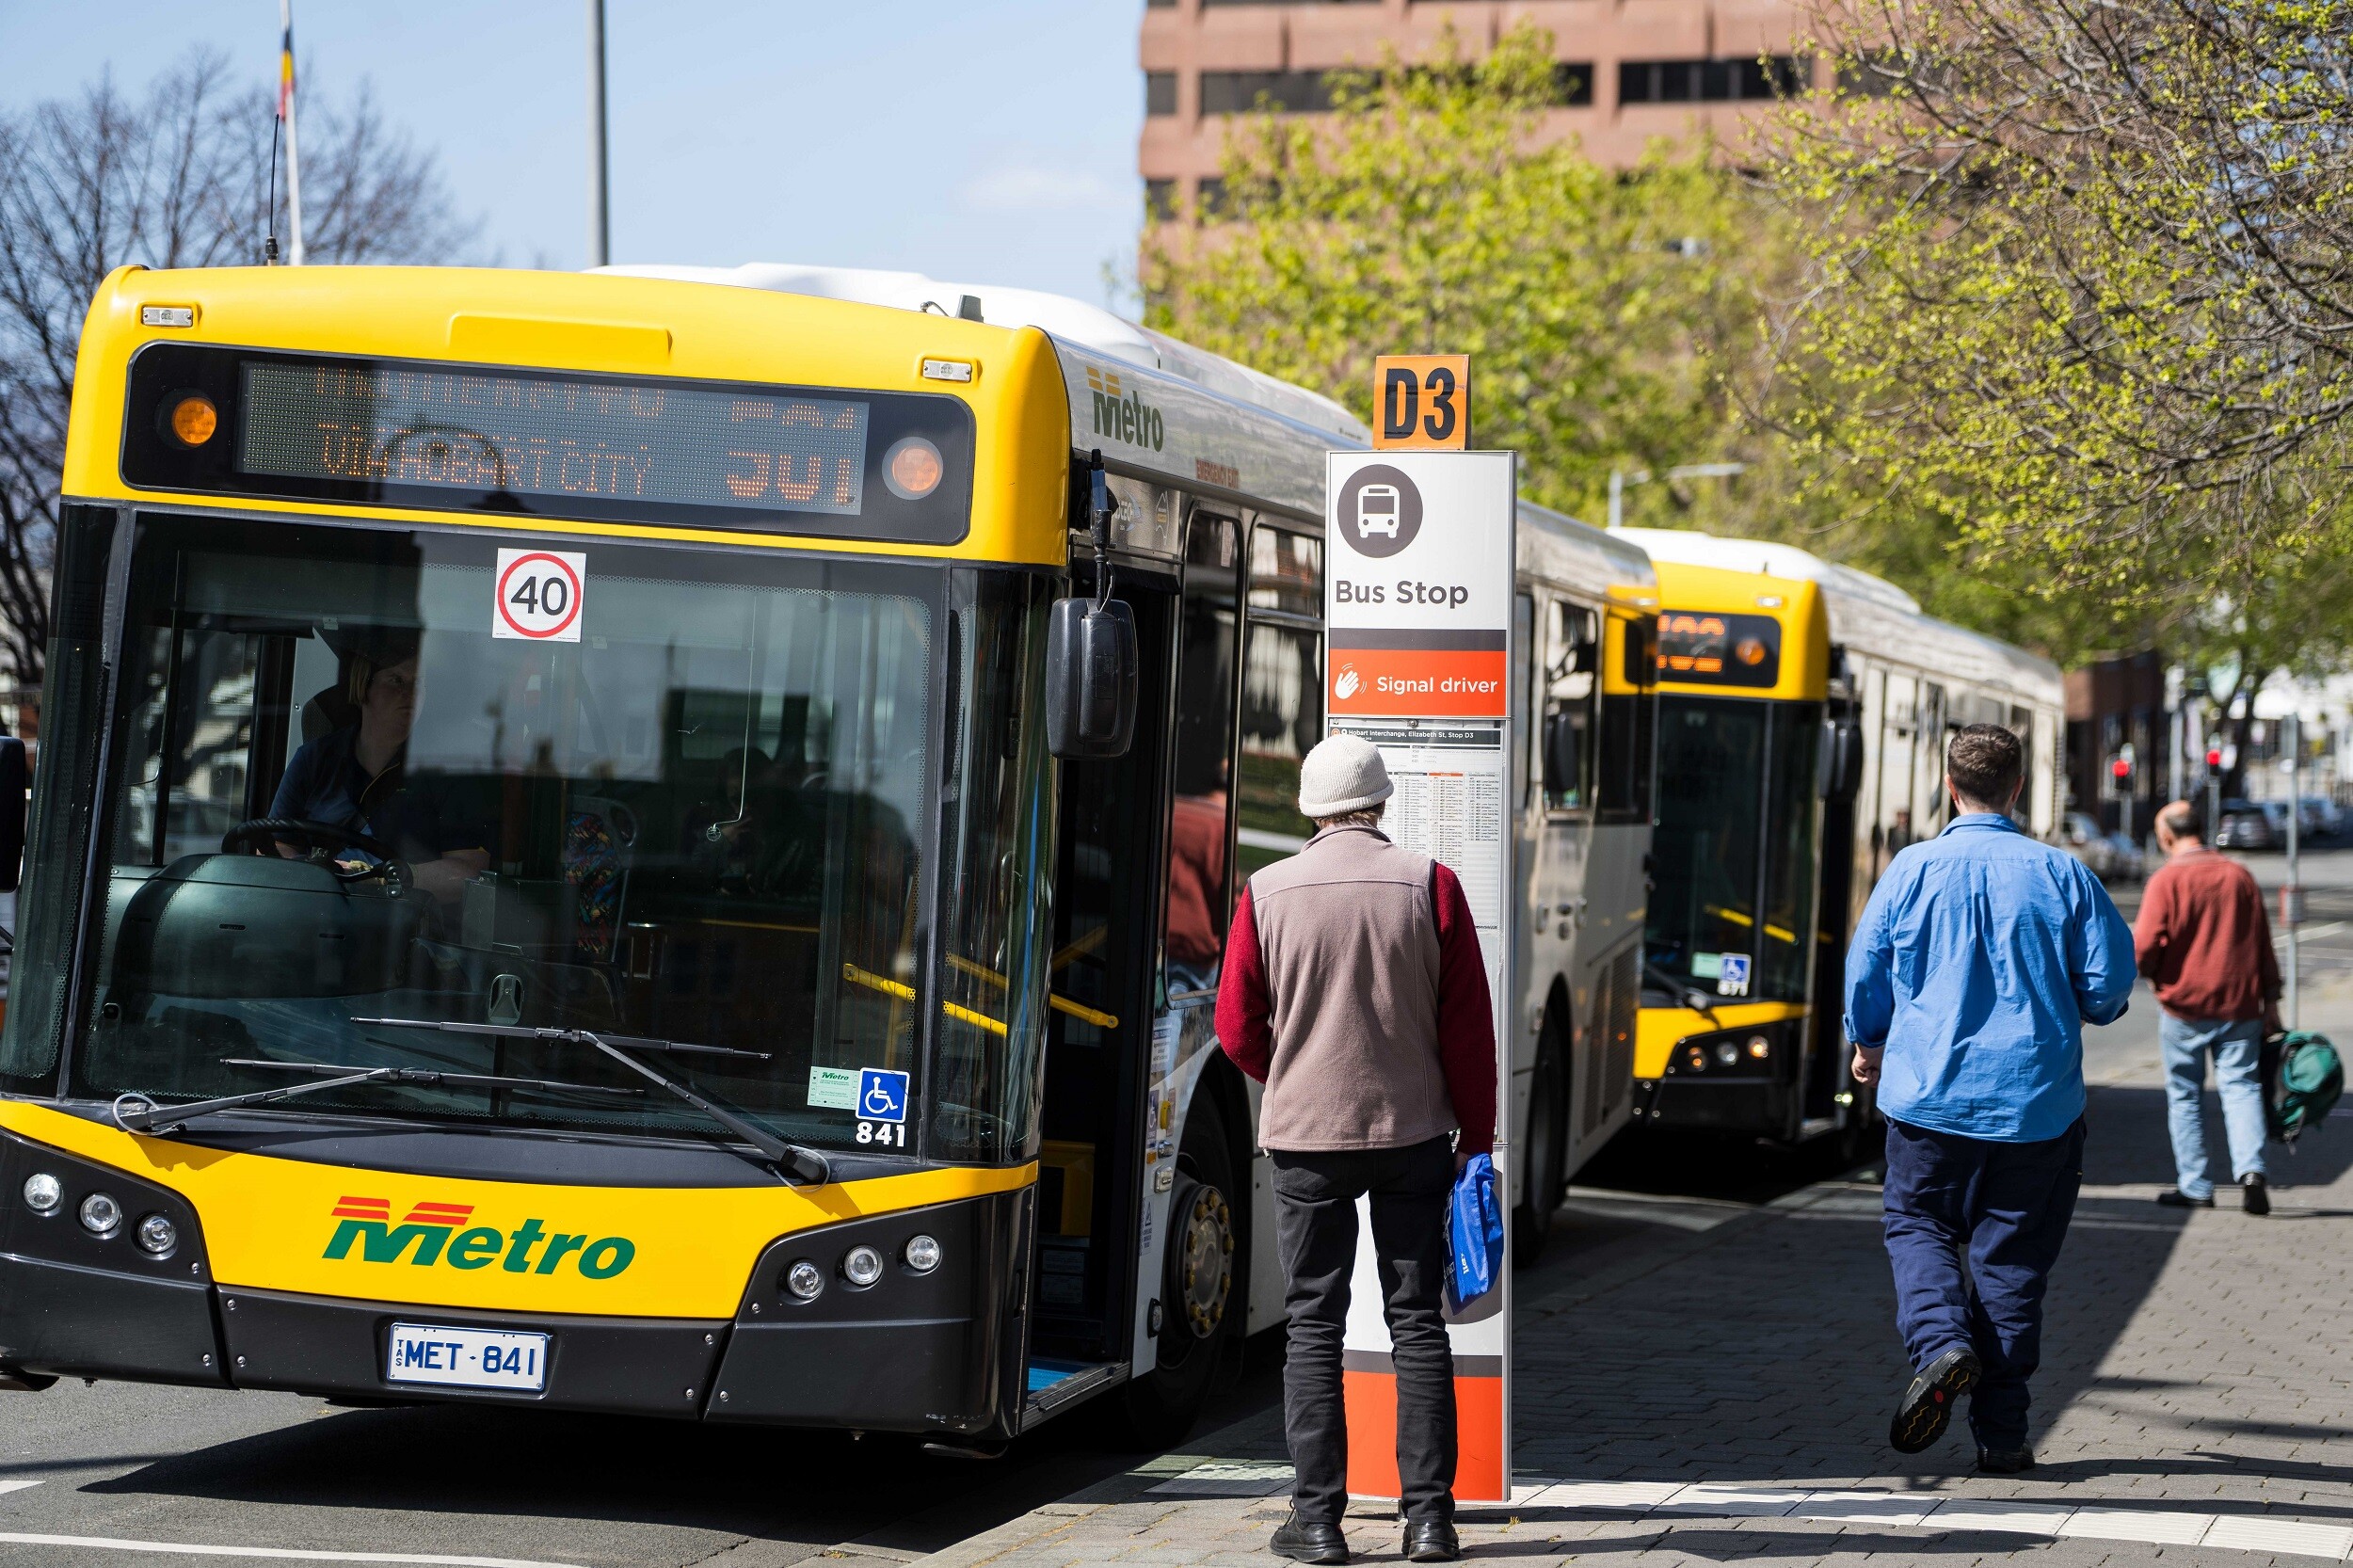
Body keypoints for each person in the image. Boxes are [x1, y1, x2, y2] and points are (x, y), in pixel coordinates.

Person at [1214, 734, 1496, 1566]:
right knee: (1417, 1324)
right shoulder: (1430, 885)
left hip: (1306, 1141)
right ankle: (1429, 1521)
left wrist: (1293, 1073)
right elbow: (1467, 1033)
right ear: (1380, 802)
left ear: (1310, 808)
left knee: (1312, 1327)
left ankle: (1318, 1523)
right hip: (1412, 1136)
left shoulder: (1264, 892)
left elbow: (1235, 1028)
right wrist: (1473, 1139)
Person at [1845, 724, 2135, 1474]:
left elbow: (1867, 971)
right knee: (2012, 1266)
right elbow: (2107, 991)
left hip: (1929, 1102)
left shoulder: (1909, 870)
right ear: (2017, 790)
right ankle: (2002, 1437)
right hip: (2036, 1108)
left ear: (1950, 786)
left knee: (1918, 1224)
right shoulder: (2064, 876)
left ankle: (1942, 1346)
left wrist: (1869, 1040)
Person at [2134, 799, 2281, 1214]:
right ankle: (2251, 1172)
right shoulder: (2239, 875)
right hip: (2241, 1005)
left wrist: (2156, 976)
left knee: (2185, 1095)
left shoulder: (2167, 880)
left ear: (2166, 837)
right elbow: (2262, 943)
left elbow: (2143, 947)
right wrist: (2271, 999)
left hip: (2184, 1007)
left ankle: (2196, 1186)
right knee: (2242, 1087)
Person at [270, 642, 488, 904]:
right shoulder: (313, 760)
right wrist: (311, 872)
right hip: (320, 912)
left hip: (404, 924)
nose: (410, 695)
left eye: (418, 684)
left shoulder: (448, 770)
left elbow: (468, 871)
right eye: (396, 680)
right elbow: (276, 846)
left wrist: (382, 878)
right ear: (363, 686)